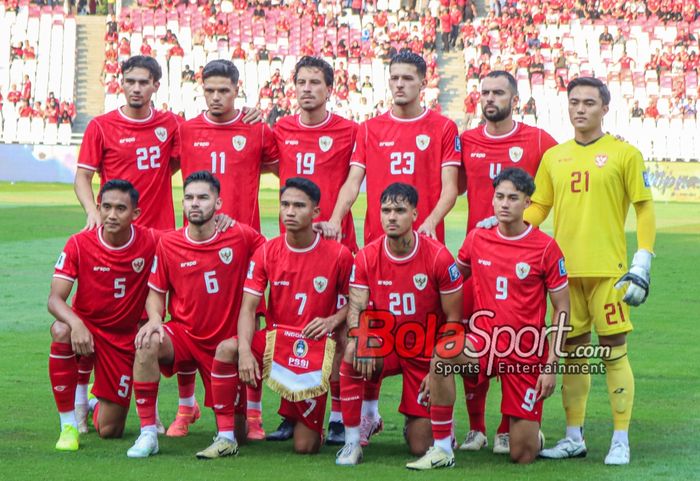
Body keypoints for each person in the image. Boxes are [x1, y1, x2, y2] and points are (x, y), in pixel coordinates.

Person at [75, 56, 261, 435]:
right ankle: (97, 399)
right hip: (119, 240)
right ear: (121, 83)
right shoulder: (101, 126)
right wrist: (94, 211)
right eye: (130, 81)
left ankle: (189, 407)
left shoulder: (172, 126)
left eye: (144, 81)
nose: (136, 87)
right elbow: (83, 177)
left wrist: (251, 115)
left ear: (156, 85)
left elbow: (193, 156)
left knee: (179, 318)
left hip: (163, 238)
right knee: (115, 319)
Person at [323, 51, 461, 443]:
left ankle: (435, 415)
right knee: (367, 330)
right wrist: (336, 218)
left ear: (423, 82)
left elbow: (450, 189)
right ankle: (367, 415)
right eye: (394, 77)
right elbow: (353, 182)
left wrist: (430, 224)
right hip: (376, 251)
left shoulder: (442, 127)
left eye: (407, 78)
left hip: (422, 248)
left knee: (427, 331)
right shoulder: (369, 129)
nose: (399, 84)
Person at [407, 167, 570, 469]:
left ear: (527, 204)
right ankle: (442, 449)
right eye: (499, 197)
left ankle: (530, 434)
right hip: (483, 343)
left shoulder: (546, 248)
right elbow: (451, 283)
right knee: (443, 356)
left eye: (513, 198)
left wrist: (551, 366)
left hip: (525, 352)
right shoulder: (477, 239)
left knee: (522, 455)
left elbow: (562, 309)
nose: (504, 204)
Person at [532, 77, 656, 465]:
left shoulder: (625, 154)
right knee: (573, 354)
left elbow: (644, 206)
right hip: (565, 275)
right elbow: (539, 207)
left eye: (589, 102)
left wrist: (644, 259)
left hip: (609, 273)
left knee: (614, 353)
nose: (580, 109)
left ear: (605, 108)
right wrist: (508, 227)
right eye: (574, 102)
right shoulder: (554, 156)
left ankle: (621, 438)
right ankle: (574, 436)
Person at [197, 177, 354, 458]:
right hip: (275, 342)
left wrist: (331, 321)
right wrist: (245, 350)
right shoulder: (267, 251)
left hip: (313, 348)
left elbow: (355, 302)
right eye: (285, 205)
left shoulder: (339, 254)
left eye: (298, 205)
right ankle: (225, 437)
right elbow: (248, 307)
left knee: (305, 448)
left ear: (316, 212)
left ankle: (331, 421)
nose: (290, 211)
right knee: (227, 349)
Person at [125, 171, 265, 458]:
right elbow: (156, 292)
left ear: (218, 203)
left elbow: (274, 253)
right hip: (185, 336)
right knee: (146, 341)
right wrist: (154, 319)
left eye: (203, 197)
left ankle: (242, 419)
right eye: (189, 197)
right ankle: (148, 433)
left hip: (226, 344)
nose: (195, 204)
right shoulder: (169, 243)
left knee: (239, 436)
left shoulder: (240, 235)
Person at [458, 70, 558, 454]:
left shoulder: (537, 139)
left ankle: (506, 427)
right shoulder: (466, 140)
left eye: (498, 92)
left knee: (514, 344)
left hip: (519, 258)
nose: (490, 98)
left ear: (514, 99)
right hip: (477, 256)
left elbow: (559, 176)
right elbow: (451, 185)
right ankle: (476, 428)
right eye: (484, 92)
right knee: (472, 339)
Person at [335, 183, 463, 466]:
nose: (391, 216)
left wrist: (438, 366)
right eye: (386, 210)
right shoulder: (367, 256)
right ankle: (352, 441)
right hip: (386, 343)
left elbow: (454, 319)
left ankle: (425, 420)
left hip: (425, 349)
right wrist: (360, 337)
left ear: (415, 214)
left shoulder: (439, 257)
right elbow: (356, 307)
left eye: (400, 210)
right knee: (352, 351)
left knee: (420, 445)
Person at [269, 57, 359, 443]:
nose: (307, 88)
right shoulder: (281, 128)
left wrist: (335, 219)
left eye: (315, 82)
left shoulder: (349, 130)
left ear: (329, 88)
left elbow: (352, 182)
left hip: (336, 240)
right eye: (301, 81)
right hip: (294, 246)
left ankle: (339, 415)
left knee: (338, 327)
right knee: (290, 324)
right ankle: (292, 411)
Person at [48, 180, 158, 451]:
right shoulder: (78, 243)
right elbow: (54, 299)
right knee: (60, 330)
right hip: (84, 328)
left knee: (110, 431)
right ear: (98, 208)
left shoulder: (151, 240)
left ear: (136, 214)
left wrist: (222, 221)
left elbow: (189, 237)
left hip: (121, 339)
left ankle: (98, 401)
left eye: (121, 208)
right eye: (106, 207)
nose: (111, 215)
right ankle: (68, 425)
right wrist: (76, 323)